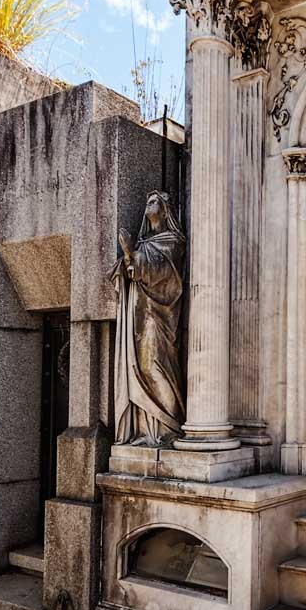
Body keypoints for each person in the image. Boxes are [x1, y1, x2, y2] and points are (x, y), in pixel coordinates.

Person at [113, 191, 186, 446]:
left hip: (160, 315)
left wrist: (132, 256)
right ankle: (146, 431)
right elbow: (134, 271)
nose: (148, 205)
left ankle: (168, 427)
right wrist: (128, 258)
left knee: (155, 365)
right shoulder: (144, 243)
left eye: (154, 202)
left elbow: (165, 273)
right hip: (140, 313)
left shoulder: (173, 242)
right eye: (147, 201)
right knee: (140, 368)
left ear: (166, 211)